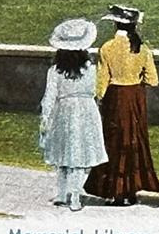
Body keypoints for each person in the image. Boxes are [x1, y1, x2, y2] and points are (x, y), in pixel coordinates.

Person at [85, 4, 159, 206]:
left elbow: (102, 82)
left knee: (114, 141)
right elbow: (153, 80)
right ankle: (131, 190)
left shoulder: (107, 48)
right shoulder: (143, 49)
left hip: (116, 97)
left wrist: (98, 99)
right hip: (135, 97)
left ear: (116, 24)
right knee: (134, 140)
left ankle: (116, 191)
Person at [40, 18, 108, 211]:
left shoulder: (55, 70)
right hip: (85, 111)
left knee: (62, 154)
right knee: (79, 155)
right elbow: (95, 91)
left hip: (63, 111)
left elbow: (49, 96)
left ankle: (62, 194)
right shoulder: (90, 69)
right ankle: (75, 197)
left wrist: (46, 117)